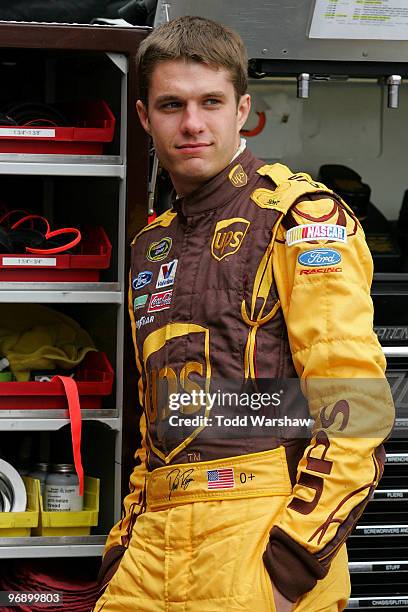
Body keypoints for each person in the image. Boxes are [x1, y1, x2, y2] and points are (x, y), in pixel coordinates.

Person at [94, 15, 394, 612]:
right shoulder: (148, 245)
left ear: (243, 110)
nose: (192, 123)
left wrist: (289, 572)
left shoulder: (301, 219)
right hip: (150, 542)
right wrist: (119, 556)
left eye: (211, 101)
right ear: (143, 117)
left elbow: (356, 413)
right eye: (172, 105)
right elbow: (159, 416)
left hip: (259, 537)